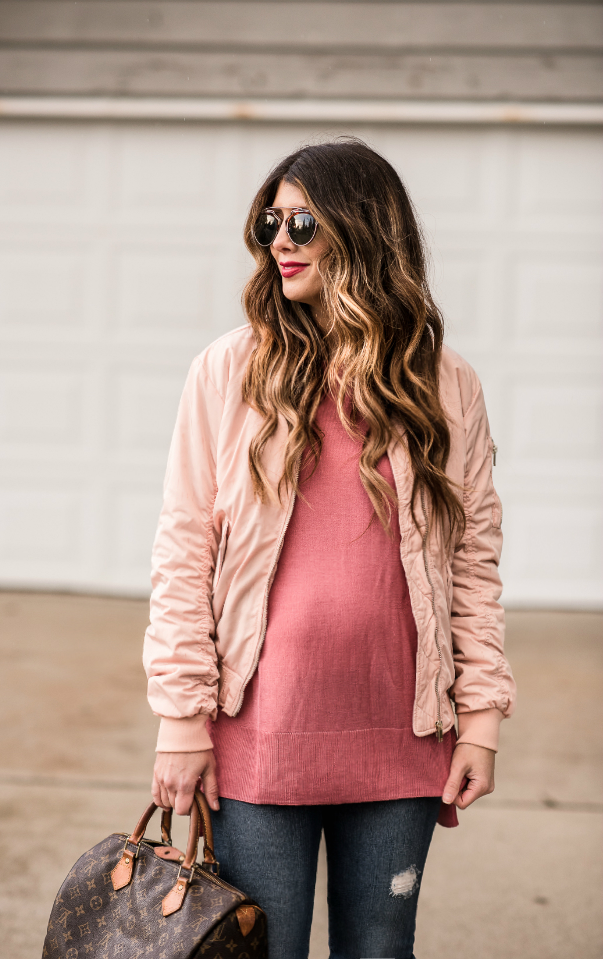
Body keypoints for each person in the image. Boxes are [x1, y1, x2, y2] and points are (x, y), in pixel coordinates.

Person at [143, 138, 516, 959]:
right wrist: (181, 720)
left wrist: (481, 718)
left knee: (380, 949)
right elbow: (182, 551)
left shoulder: (444, 383)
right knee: (264, 947)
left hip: (402, 735)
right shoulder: (228, 371)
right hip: (262, 735)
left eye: (303, 222)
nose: (280, 239)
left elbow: (474, 560)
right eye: (270, 221)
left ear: (365, 233)